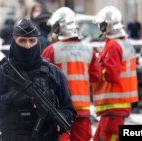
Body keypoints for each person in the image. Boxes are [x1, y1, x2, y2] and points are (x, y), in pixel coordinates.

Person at [0, 19, 76, 141]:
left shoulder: (53, 73)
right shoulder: (2, 73)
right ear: (14, 42)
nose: (27, 45)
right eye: (22, 41)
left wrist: (62, 118)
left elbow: (69, 108)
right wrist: (12, 97)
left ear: (37, 42)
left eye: (32, 41)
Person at [42, 7, 102, 141]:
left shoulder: (51, 51)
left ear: (58, 28)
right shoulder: (89, 50)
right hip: (83, 109)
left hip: (60, 110)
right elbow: (96, 76)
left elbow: (42, 79)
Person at [93, 6, 139, 141]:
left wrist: (95, 69)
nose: (100, 28)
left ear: (109, 25)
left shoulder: (113, 45)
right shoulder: (126, 43)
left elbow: (112, 75)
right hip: (117, 106)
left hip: (114, 105)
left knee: (107, 137)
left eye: (102, 25)